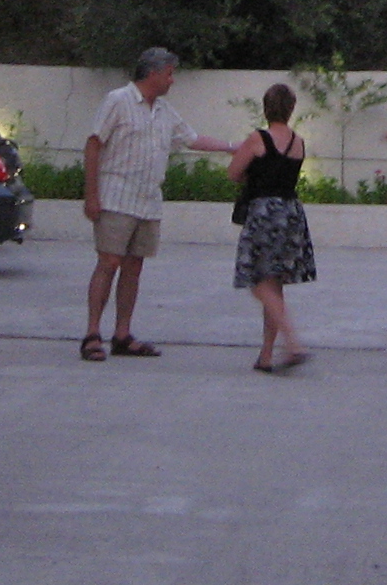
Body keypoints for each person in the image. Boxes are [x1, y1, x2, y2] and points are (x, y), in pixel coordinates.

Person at [81, 47, 235, 362]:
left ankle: (122, 334)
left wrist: (233, 147)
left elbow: (192, 139)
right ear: (153, 73)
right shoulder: (118, 100)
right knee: (108, 262)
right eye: (169, 74)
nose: (172, 80)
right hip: (116, 196)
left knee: (134, 267)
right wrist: (91, 194)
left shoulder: (164, 111)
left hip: (148, 200)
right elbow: (94, 143)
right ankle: (92, 334)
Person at [229, 84, 317, 373]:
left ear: (266, 107)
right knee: (274, 283)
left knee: (256, 278)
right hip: (291, 213)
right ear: (291, 109)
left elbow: (234, 173)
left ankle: (292, 343)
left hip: (264, 213)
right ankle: (266, 355)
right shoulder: (298, 142)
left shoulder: (258, 138)